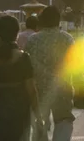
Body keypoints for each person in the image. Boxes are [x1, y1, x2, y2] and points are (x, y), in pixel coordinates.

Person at [0, 15, 36, 141]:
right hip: (18, 113)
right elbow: (31, 90)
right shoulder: (23, 58)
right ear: (16, 33)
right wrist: (39, 116)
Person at [26, 7, 76, 141]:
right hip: (62, 87)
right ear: (58, 21)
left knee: (39, 122)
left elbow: (27, 65)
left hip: (38, 90)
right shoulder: (67, 39)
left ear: (41, 21)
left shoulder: (32, 40)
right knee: (64, 121)